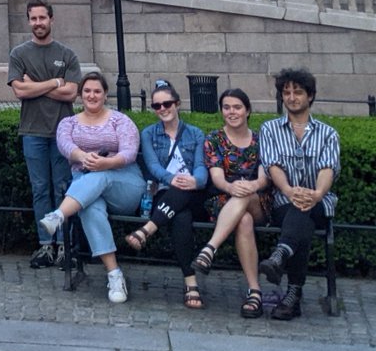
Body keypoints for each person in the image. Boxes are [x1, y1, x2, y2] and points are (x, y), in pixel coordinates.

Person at [41, 71, 145, 305]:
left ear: (105, 94)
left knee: (102, 176)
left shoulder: (120, 121)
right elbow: (65, 145)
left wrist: (107, 163)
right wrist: (83, 156)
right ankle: (114, 275)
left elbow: (129, 152)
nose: (92, 95)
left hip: (124, 183)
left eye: (97, 91)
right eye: (87, 91)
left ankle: (59, 214)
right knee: (90, 208)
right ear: (80, 95)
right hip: (85, 188)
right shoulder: (68, 123)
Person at [257, 66, 340, 322]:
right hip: (283, 201)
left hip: (319, 202)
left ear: (310, 96)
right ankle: (292, 295)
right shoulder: (270, 129)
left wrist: (316, 193)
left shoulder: (328, 134)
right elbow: (272, 165)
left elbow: (328, 168)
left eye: (298, 92)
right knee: (299, 217)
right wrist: (288, 190)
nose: (292, 98)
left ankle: (280, 256)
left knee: (304, 212)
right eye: (287, 92)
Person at [7, 0, 81, 268]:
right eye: (34, 18)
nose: (38, 23)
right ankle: (45, 245)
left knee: (63, 189)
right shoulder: (19, 53)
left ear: (51, 19)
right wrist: (55, 82)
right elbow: (19, 91)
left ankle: (64, 246)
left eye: (42, 18)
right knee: (40, 190)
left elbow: (71, 93)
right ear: (28, 21)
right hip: (32, 131)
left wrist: (35, 85)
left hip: (63, 132)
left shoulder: (67, 53)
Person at [127, 79, 209, 310]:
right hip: (165, 194)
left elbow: (201, 167)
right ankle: (190, 283)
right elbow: (153, 166)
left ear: (177, 104)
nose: (162, 109)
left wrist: (195, 181)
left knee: (183, 195)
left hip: (193, 194)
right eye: (157, 106)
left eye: (167, 104)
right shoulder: (149, 134)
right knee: (180, 216)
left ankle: (146, 230)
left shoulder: (195, 133)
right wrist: (172, 179)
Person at [194, 87, 273, 319]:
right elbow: (217, 178)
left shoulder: (261, 139)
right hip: (223, 200)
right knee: (244, 221)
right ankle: (254, 292)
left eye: (237, 107)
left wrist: (252, 186)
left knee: (245, 196)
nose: (232, 112)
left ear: (247, 110)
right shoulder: (214, 139)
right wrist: (231, 187)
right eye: (226, 107)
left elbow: (265, 177)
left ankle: (210, 248)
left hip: (258, 200)